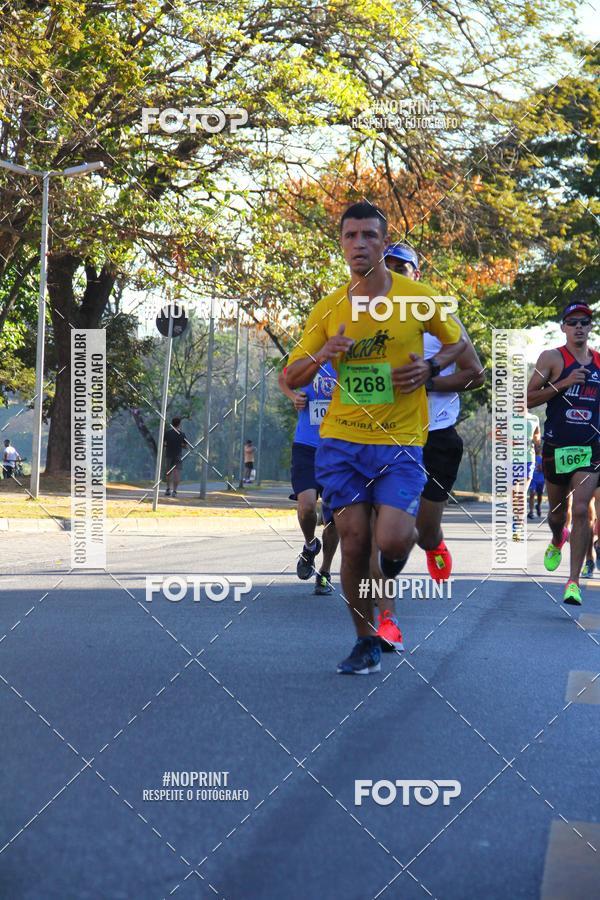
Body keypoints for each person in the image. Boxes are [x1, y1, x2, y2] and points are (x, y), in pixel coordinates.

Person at [286, 201, 465, 674]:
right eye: (350, 236)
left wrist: (429, 368)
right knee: (353, 541)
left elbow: (461, 349)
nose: (359, 244)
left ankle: (385, 582)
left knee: (392, 542)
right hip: (342, 442)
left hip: (401, 442)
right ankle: (365, 639)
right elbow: (292, 372)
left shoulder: (418, 298)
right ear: (341, 244)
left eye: (369, 235)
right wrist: (324, 351)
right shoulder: (329, 308)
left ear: (384, 242)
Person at [369, 242, 484, 652]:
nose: (396, 273)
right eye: (390, 266)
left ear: (417, 275)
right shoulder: (365, 320)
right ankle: (387, 618)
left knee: (423, 530)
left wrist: (429, 381)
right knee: (382, 533)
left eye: (404, 267)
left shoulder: (441, 319)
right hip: (386, 436)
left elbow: (476, 375)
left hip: (436, 437)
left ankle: (434, 543)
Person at [527, 302, 600, 605]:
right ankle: (558, 538)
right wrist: (564, 383)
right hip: (557, 447)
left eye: (584, 322)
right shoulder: (552, 358)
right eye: (573, 322)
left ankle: (574, 582)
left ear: (590, 327)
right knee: (559, 516)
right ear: (563, 328)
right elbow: (527, 399)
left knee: (582, 509)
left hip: (590, 448)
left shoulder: (598, 361)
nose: (579, 327)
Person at [278, 363, 340, 594]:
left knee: (336, 518)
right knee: (306, 507)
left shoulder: (351, 357)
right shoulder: (308, 356)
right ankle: (310, 545)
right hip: (306, 445)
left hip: (339, 448)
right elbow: (283, 377)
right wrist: (293, 396)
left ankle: (324, 572)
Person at [164, 417, 191, 497]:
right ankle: (174, 491)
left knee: (168, 473)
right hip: (178, 456)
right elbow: (186, 446)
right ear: (179, 424)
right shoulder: (182, 434)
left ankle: (168, 489)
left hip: (169, 455)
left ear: (172, 424)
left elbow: (164, 444)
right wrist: (180, 445)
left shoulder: (167, 433)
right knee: (176, 473)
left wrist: (169, 444)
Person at [528, 453, 545, 519]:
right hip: (533, 479)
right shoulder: (530, 457)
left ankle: (538, 505)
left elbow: (546, 468)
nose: (537, 448)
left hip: (541, 480)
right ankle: (531, 512)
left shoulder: (543, 458)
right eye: (535, 446)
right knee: (532, 493)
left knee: (539, 495)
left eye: (538, 447)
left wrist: (542, 468)